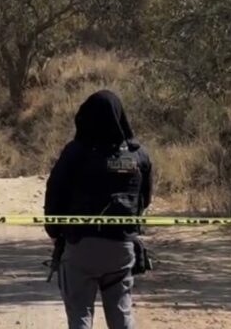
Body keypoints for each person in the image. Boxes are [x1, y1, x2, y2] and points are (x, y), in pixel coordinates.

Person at [44, 90, 152, 329]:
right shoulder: (139, 156)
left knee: (80, 314)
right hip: (122, 248)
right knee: (121, 315)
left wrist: (55, 232)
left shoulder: (75, 153)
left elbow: (54, 193)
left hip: (80, 246)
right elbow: (144, 200)